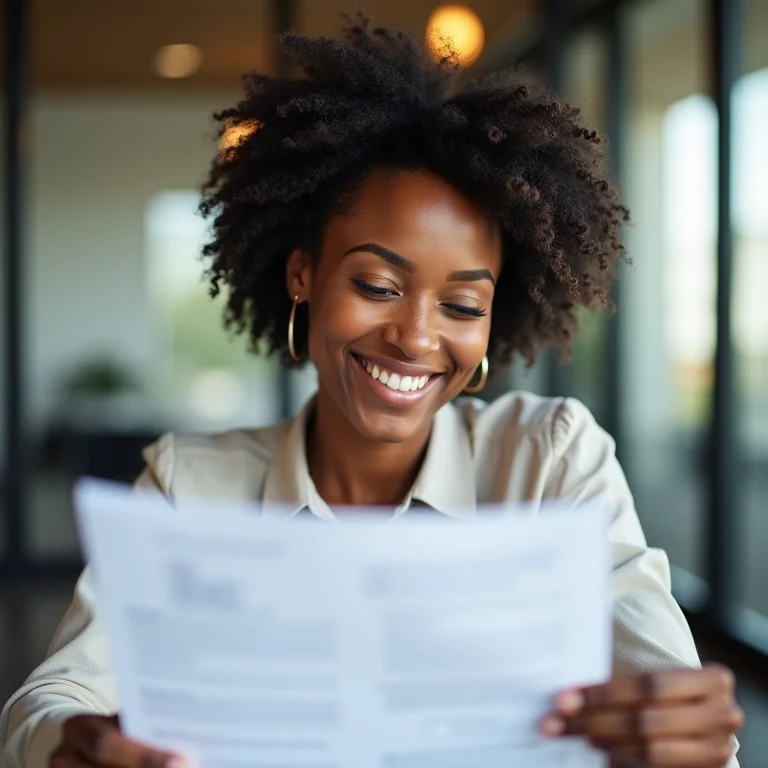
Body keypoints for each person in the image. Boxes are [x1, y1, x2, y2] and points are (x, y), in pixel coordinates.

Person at [1, 14, 743, 768]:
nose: (417, 339)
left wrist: (683, 730)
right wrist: (72, 743)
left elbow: (665, 683)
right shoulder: (191, 484)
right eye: (377, 285)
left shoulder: (549, 461)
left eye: (461, 306)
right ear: (302, 275)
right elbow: (53, 698)